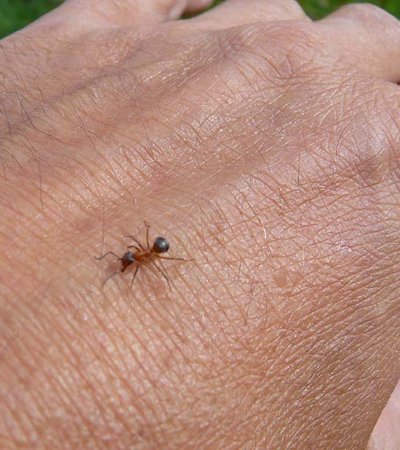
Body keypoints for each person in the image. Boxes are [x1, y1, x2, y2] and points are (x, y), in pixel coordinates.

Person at [0, 0, 399, 448]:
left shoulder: (148, 253)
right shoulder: (136, 254)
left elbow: (142, 246)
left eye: (130, 258)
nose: (130, 259)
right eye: (130, 260)